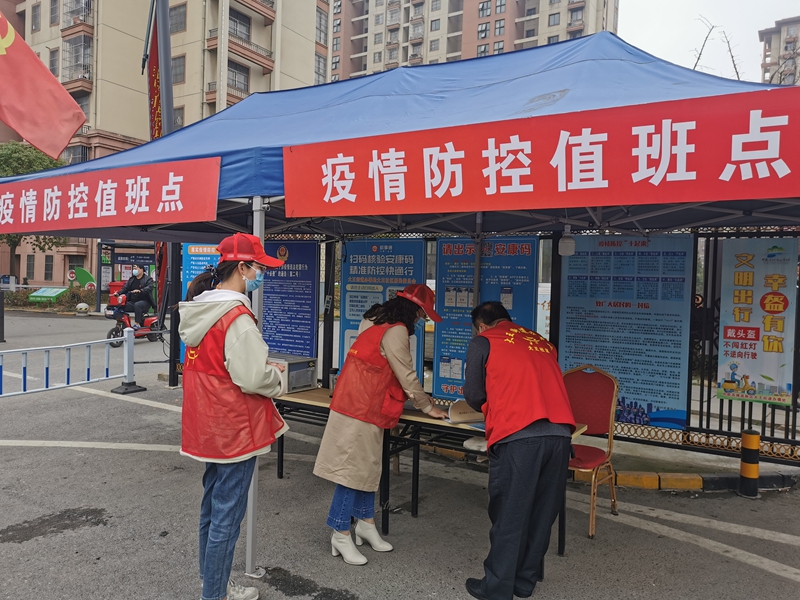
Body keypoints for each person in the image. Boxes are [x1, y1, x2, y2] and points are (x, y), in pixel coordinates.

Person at [179, 233, 287, 600]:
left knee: (211, 510)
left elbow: (219, 366)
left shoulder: (201, 310)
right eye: (258, 267)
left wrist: (258, 365)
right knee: (227, 518)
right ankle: (215, 594)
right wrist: (276, 377)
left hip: (207, 425)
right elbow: (252, 378)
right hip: (235, 429)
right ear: (242, 267)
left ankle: (213, 583)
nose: (261, 274)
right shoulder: (236, 316)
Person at [313, 284, 449, 566]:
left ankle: (366, 523)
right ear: (414, 310)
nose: (421, 321)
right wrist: (427, 406)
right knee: (352, 471)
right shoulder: (397, 331)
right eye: (422, 314)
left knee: (368, 468)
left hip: (355, 402)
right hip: (363, 408)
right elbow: (406, 374)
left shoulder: (373, 319)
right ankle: (340, 531)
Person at [463, 301, 576, 600]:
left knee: (510, 514)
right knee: (542, 514)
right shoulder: (542, 343)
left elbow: (474, 394)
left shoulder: (484, 341)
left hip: (519, 435)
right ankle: (524, 582)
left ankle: (497, 588)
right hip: (560, 435)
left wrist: (489, 406)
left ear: (482, 326)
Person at [114, 263, 156, 328]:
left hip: (145, 301)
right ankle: (122, 323)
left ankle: (137, 324)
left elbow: (149, 287)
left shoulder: (148, 279)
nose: (134, 270)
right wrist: (118, 293)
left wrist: (140, 291)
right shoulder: (132, 279)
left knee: (137, 305)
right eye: (133, 269)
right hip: (132, 301)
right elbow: (125, 288)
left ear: (141, 269)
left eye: (136, 268)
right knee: (121, 306)